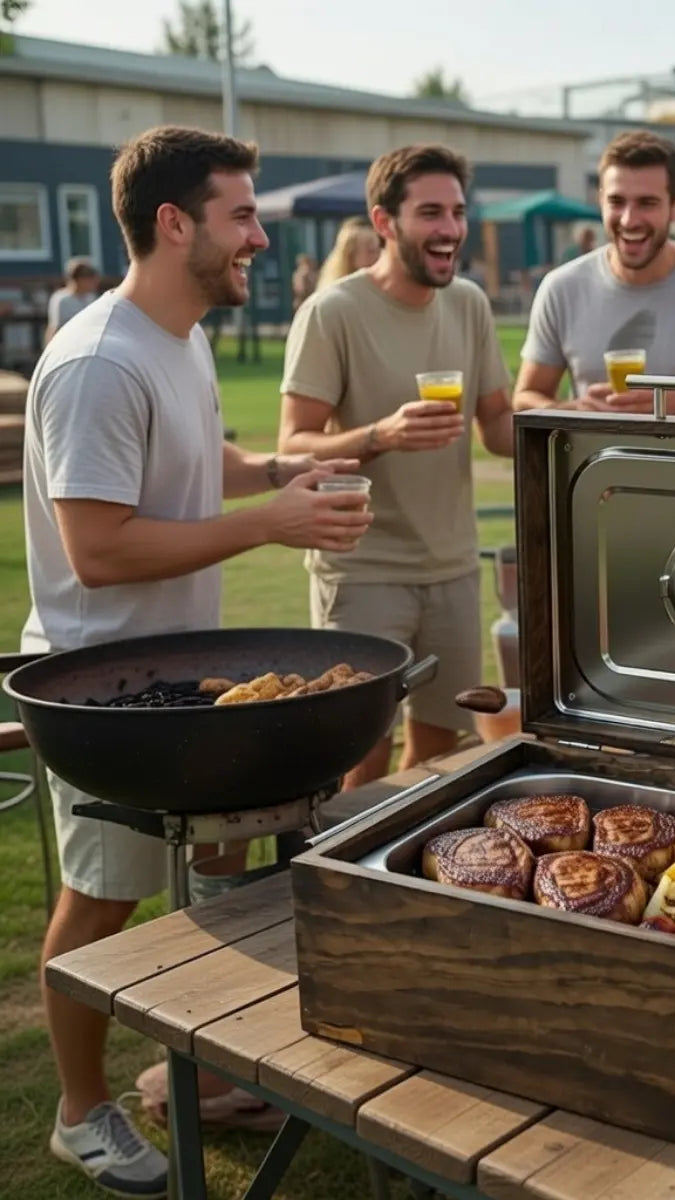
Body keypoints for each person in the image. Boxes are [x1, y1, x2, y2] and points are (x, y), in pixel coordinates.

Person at [21, 124, 372, 1199]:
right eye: (241, 215)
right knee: (102, 901)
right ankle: (82, 1115)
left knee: (214, 877)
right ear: (175, 225)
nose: (260, 237)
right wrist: (271, 523)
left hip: (184, 682)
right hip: (104, 687)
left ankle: (202, 1077)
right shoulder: (94, 362)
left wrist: (274, 472)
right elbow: (102, 544)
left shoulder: (180, 338)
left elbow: (196, 454)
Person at [279, 143, 513, 785]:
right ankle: (345, 882)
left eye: (458, 213)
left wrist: (572, 415)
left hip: (453, 567)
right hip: (364, 571)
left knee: (439, 751)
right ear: (384, 223)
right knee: (360, 754)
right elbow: (292, 445)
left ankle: (402, 880)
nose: (450, 230)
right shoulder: (333, 312)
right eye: (431, 213)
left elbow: (498, 429)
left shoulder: (469, 303)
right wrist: (379, 434)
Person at [515, 130, 675, 417]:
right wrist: (572, 410)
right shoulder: (562, 287)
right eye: (617, 202)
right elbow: (525, 397)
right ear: (601, 202)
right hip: (594, 462)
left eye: (647, 203)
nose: (629, 219)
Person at [315, 214, 381, 291]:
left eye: (380, 248)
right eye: (371, 250)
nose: (379, 256)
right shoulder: (335, 294)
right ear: (350, 255)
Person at [45, 256, 100, 341]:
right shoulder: (62, 299)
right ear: (78, 279)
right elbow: (54, 327)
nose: (95, 281)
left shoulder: (91, 298)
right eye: (90, 277)